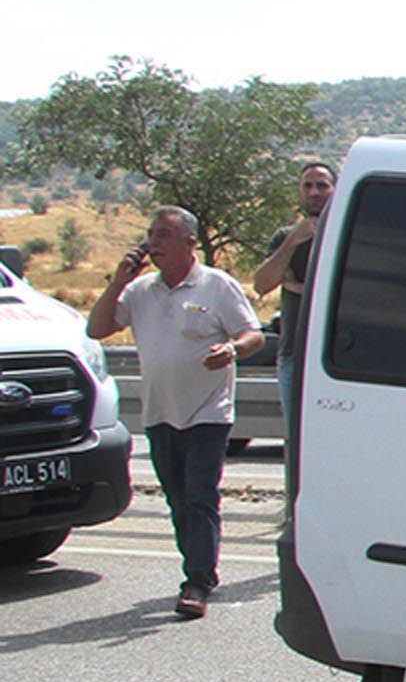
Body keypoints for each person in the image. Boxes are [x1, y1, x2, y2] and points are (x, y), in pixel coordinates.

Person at [88, 209, 262, 618]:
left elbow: (253, 335)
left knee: (200, 495)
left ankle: (197, 580)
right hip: (160, 412)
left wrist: (232, 350)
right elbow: (96, 329)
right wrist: (118, 281)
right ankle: (201, 567)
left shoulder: (217, 286)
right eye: (151, 234)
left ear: (189, 242)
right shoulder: (140, 292)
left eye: (164, 234)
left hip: (208, 413)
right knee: (179, 499)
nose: (154, 242)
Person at [252, 159, 335, 414]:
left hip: (337, 359)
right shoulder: (286, 237)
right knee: (296, 441)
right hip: (294, 355)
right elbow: (262, 284)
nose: (314, 192)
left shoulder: (347, 234)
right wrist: (292, 242)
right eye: (307, 186)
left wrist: (298, 286)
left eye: (322, 186)